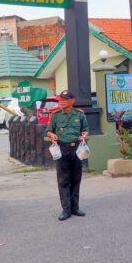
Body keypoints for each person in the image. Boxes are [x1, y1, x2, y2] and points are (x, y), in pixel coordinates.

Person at [45, 90, 88, 221]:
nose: (62, 101)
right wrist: (51, 135)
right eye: (60, 99)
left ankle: (75, 207)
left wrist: (84, 135)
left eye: (65, 99)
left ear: (72, 101)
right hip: (61, 148)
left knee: (76, 178)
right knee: (63, 180)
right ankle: (66, 209)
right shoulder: (55, 115)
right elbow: (48, 131)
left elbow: (85, 129)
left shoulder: (80, 115)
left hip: (76, 149)